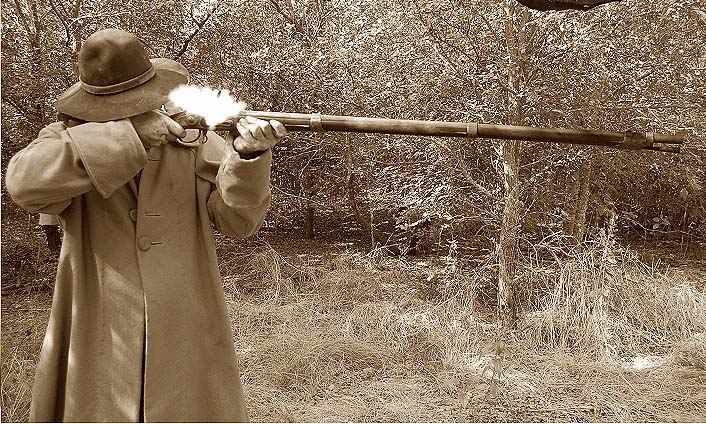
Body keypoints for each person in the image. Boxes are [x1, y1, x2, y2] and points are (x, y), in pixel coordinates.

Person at [5, 28, 286, 422]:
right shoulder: (68, 137)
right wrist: (128, 137)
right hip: (98, 320)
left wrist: (247, 156)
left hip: (184, 317)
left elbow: (238, 222)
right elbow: (23, 184)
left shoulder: (192, 140)